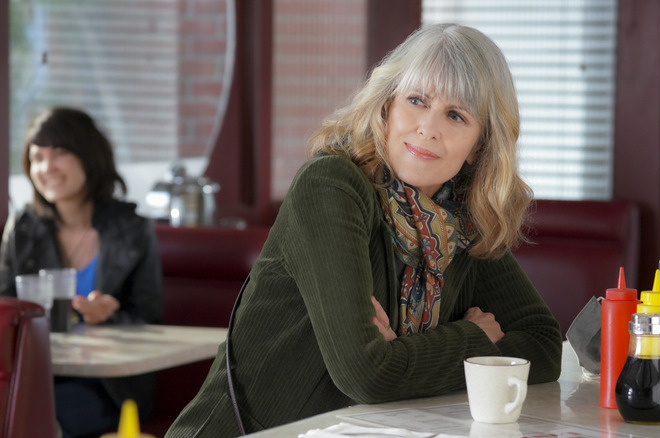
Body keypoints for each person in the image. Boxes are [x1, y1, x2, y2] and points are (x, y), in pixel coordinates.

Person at [166, 23, 562, 437]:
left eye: (456, 115)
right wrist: (474, 339)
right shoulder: (331, 186)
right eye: (416, 100)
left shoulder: (459, 221)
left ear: (479, 146)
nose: (428, 127)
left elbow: (544, 345)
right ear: (387, 105)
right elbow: (368, 375)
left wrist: (404, 355)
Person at [0, 107, 163, 438]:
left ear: (89, 157)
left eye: (59, 154)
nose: (47, 168)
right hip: (35, 375)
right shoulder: (23, 228)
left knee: (39, 417)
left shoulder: (132, 229)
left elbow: (148, 320)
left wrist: (106, 317)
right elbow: (4, 308)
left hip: (111, 386)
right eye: (37, 158)